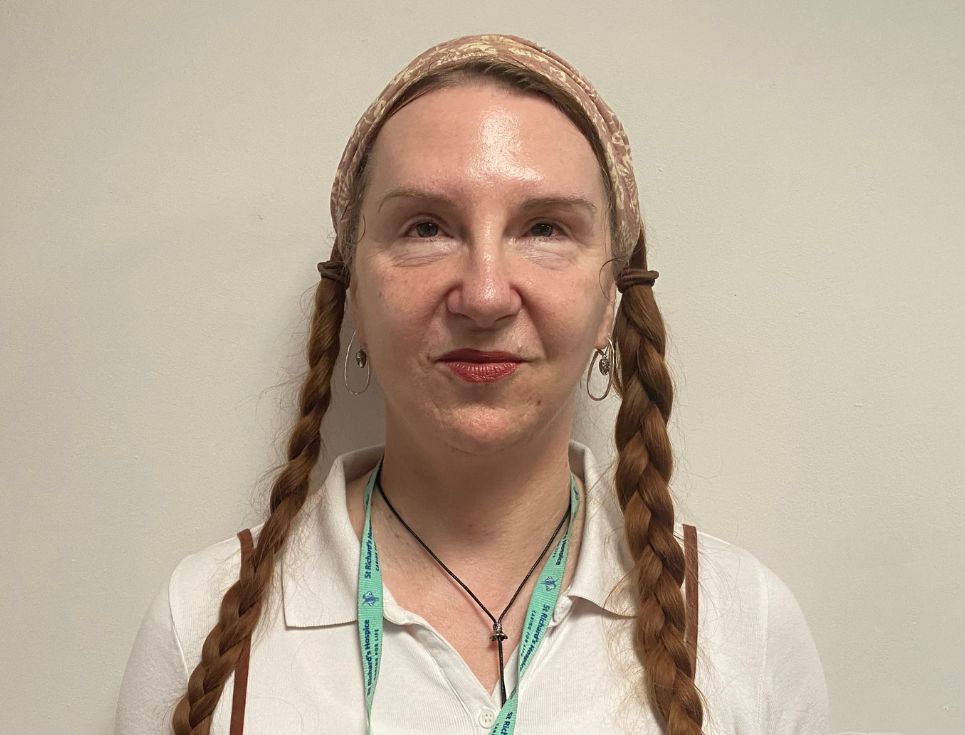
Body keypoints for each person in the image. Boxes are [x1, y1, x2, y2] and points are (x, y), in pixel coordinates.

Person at [115, 34, 830, 735]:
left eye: (544, 228)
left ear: (609, 299)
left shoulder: (743, 625)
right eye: (426, 226)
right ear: (353, 297)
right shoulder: (200, 617)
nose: (484, 295)